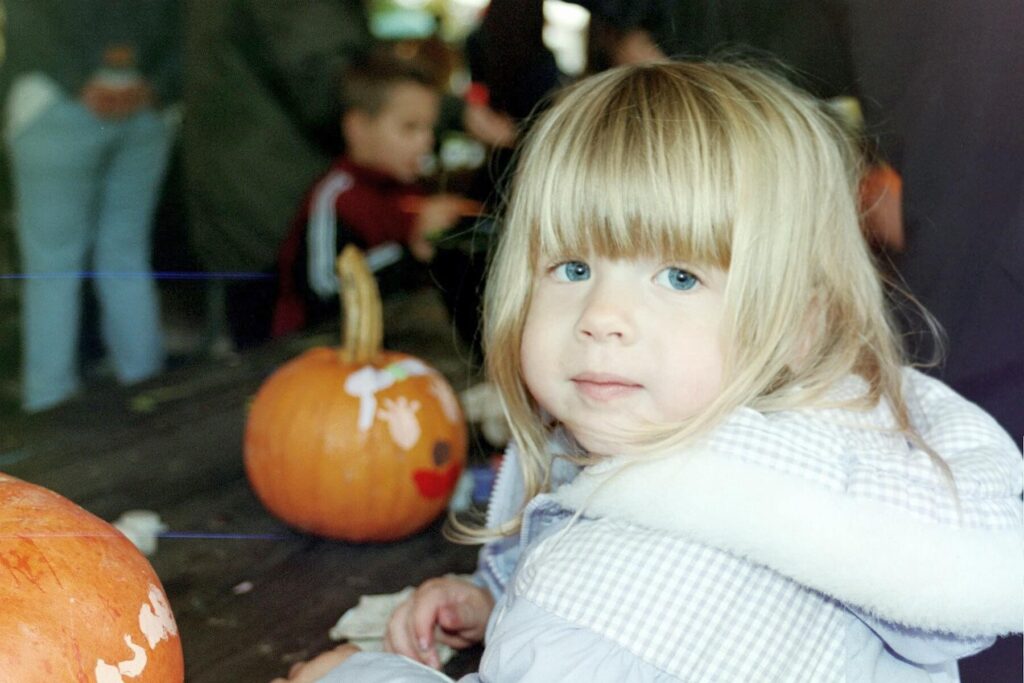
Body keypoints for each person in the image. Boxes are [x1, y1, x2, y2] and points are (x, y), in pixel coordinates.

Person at [274, 62, 1022, 683]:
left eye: (679, 277)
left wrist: (355, 675)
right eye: (571, 265)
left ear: (801, 321)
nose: (602, 314)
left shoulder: (631, 584)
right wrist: (500, 598)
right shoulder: (822, 463)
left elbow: (603, 634)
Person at [3, 0, 181, 412]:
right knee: (126, 255)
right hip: (146, 105)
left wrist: (80, 80)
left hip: (54, 99)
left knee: (52, 269)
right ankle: (149, 394)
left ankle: (49, 406)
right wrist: (152, 83)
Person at [182, 0, 372, 349]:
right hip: (277, 187)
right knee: (296, 345)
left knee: (257, 331)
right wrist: (432, 113)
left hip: (244, 173)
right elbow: (326, 85)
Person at [271, 53, 475, 337]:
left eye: (429, 128)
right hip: (321, 351)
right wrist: (413, 248)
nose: (426, 141)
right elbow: (324, 293)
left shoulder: (410, 193)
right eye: (410, 128)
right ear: (358, 128)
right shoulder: (336, 199)